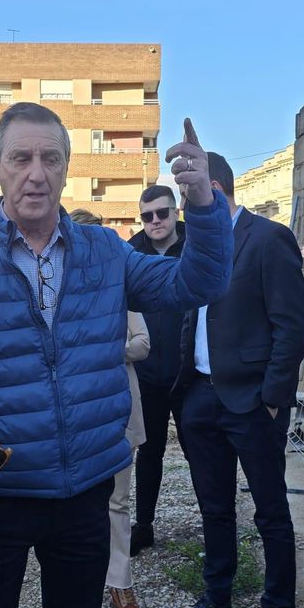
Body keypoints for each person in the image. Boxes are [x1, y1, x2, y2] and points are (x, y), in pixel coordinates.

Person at [0, 103, 234, 608]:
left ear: (66, 168)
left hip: (84, 486)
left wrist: (202, 203)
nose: (36, 172)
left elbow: (199, 280)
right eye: (21, 158)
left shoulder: (106, 253)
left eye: (50, 158)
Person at [167, 152, 304, 608]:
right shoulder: (197, 245)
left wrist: (273, 399)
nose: (185, 206)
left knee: (271, 512)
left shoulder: (268, 239)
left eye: (192, 195)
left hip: (252, 401)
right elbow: (191, 314)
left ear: (218, 188)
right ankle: (217, 594)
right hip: (202, 396)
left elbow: (292, 326)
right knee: (213, 505)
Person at [70, 209, 151, 608]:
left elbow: (142, 342)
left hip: (119, 411)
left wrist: (106, 349)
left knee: (117, 501)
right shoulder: (53, 292)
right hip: (71, 420)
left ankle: (120, 582)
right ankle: (81, 583)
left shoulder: (118, 286)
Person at [127, 184, 188, 555]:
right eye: (147, 216)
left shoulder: (195, 247)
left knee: (201, 454)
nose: (154, 222)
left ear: (175, 212)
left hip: (189, 375)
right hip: (147, 373)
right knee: (148, 454)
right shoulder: (131, 252)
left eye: (162, 213)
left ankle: (215, 525)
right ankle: (144, 524)